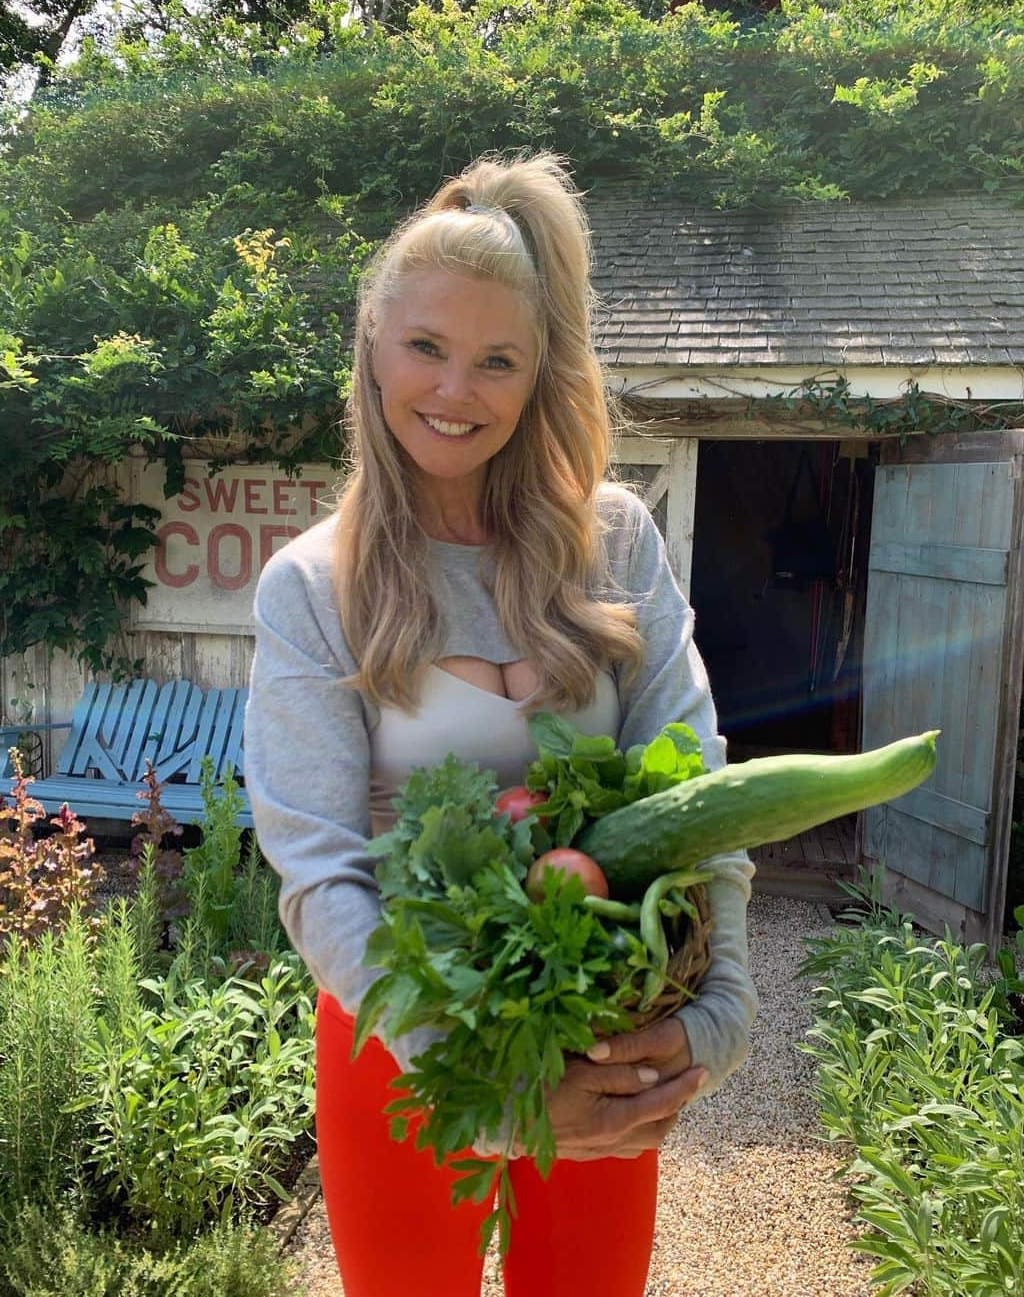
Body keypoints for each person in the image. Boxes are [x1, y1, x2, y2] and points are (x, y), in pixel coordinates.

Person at [244, 151, 757, 1297]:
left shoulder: (615, 540)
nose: (454, 390)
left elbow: (697, 786)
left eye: (497, 361)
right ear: (373, 345)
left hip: (604, 1032)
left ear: (536, 380)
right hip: (401, 1044)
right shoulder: (312, 587)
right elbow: (320, 871)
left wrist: (718, 1013)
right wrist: (496, 1085)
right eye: (426, 346)